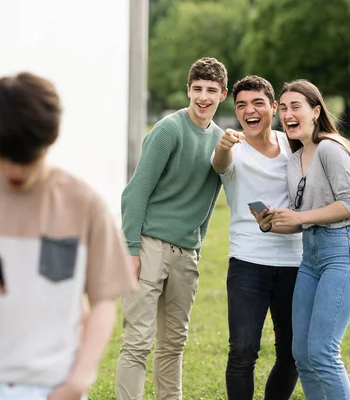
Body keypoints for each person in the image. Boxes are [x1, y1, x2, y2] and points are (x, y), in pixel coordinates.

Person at [0, 72, 136, 400]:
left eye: (26, 159)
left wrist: (77, 382)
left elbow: (103, 302)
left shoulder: (86, 205)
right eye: (4, 157)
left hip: (54, 387)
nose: (15, 171)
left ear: (49, 140)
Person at [115, 57, 228, 400]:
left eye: (211, 90)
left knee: (173, 345)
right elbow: (135, 193)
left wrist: (196, 247)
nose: (203, 97)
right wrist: (131, 250)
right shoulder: (169, 130)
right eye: (197, 89)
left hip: (186, 254)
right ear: (188, 90)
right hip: (149, 247)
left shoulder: (221, 141)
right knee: (138, 341)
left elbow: (208, 201)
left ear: (222, 94)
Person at [255, 79, 350, 400]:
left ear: (316, 111)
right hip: (311, 258)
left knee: (322, 352)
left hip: (342, 254)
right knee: (302, 354)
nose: (288, 114)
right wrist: (274, 223)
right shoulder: (293, 160)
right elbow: (301, 218)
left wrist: (301, 218)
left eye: (296, 107)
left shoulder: (331, 148)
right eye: (284, 108)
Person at [211, 75, 303, 400]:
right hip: (248, 264)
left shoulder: (293, 146)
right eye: (241, 105)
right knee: (243, 351)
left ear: (273, 107)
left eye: (258, 103)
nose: (249, 110)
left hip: (294, 262)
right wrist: (222, 147)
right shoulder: (232, 149)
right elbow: (220, 165)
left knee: (292, 353)